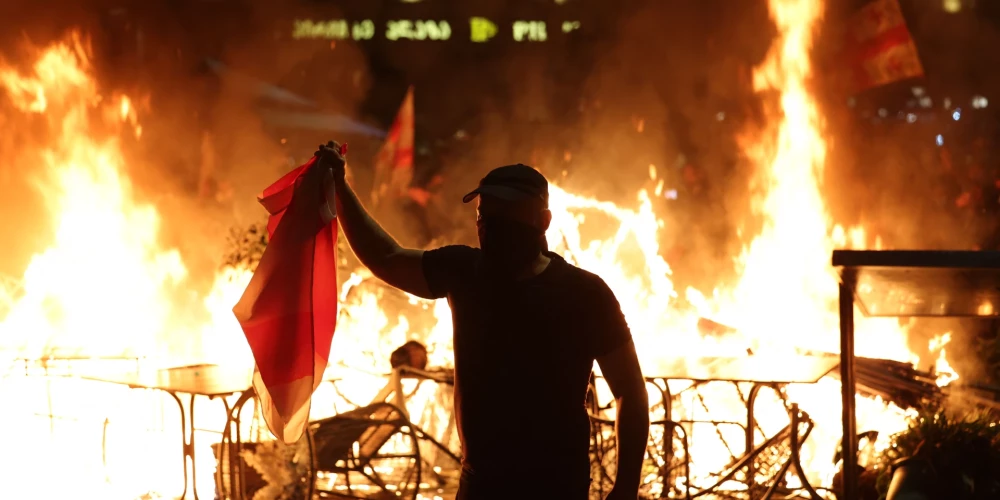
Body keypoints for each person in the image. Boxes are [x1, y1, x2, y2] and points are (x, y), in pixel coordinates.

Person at [306, 140, 649, 499]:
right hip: (480, 484)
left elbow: (630, 390)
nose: (489, 226)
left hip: (557, 487)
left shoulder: (585, 293)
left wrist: (626, 487)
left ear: (543, 221)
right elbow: (387, 257)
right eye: (485, 215)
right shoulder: (464, 271)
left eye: (505, 216)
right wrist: (339, 187)